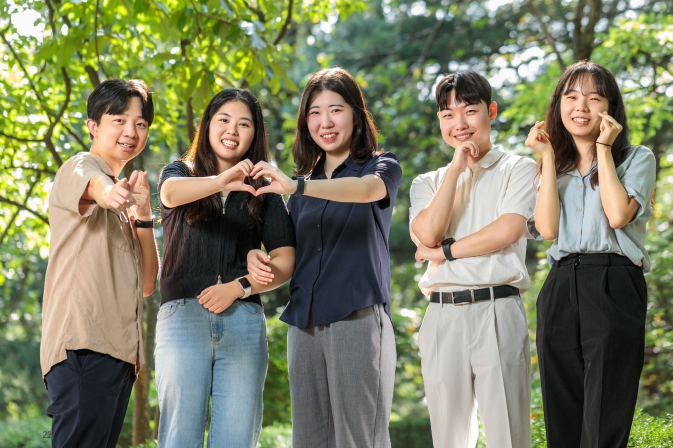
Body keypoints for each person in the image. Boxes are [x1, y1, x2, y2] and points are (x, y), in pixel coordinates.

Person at [246, 67, 402, 448]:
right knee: (310, 440)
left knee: (359, 438)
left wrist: (297, 185)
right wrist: (258, 258)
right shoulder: (301, 185)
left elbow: (367, 190)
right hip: (304, 324)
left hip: (357, 316)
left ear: (356, 115)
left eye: (336, 109)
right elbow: (289, 257)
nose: (325, 122)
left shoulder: (381, 167)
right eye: (314, 112)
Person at [155, 88, 296, 448]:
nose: (232, 129)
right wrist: (220, 181)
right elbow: (169, 195)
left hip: (243, 322)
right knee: (179, 437)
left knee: (236, 439)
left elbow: (285, 260)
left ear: (255, 134)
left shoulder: (263, 188)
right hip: (182, 317)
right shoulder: (179, 172)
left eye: (244, 123)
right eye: (224, 119)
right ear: (207, 125)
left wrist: (239, 287)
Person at [526, 60, 656, 448]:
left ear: (609, 108)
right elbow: (547, 230)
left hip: (614, 281)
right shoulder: (554, 168)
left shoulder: (637, 158)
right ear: (558, 105)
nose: (580, 106)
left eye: (593, 98)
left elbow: (618, 215)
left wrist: (602, 147)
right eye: (571, 96)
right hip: (561, 284)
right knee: (561, 413)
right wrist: (547, 159)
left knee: (605, 416)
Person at [409, 71, 537, 448]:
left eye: (470, 110)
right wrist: (455, 171)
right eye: (448, 115)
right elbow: (428, 234)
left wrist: (444, 252)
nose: (459, 124)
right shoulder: (427, 183)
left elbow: (507, 230)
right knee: (448, 440)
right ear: (440, 122)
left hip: (498, 308)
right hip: (441, 314)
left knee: (508, 438)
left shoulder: (520, 168)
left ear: (491, 110)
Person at [40, 78, 159, 448]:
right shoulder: (81, 166)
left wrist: (142, 213)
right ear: (92, 125)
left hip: (118, 355)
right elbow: (94, 187)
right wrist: (110, 193)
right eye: (119, 120)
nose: (131, 131)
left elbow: (147, 284)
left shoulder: (126, 204)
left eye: (140, 124)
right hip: (83, 348)